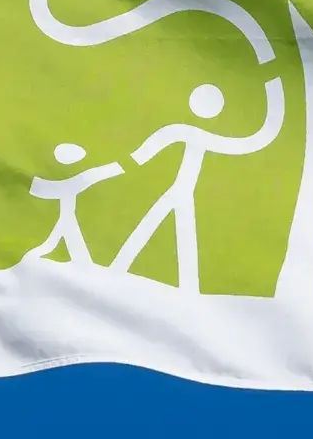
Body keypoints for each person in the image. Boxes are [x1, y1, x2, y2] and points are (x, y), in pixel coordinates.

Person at [108, 76, 288, 293]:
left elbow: (244, 143)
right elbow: (150, 148)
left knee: (173, 227)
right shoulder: (183, 131)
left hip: (183, 191)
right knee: (166, 225)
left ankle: (173, 279)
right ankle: (128, 266)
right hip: (178, 190)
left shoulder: (190, 132)